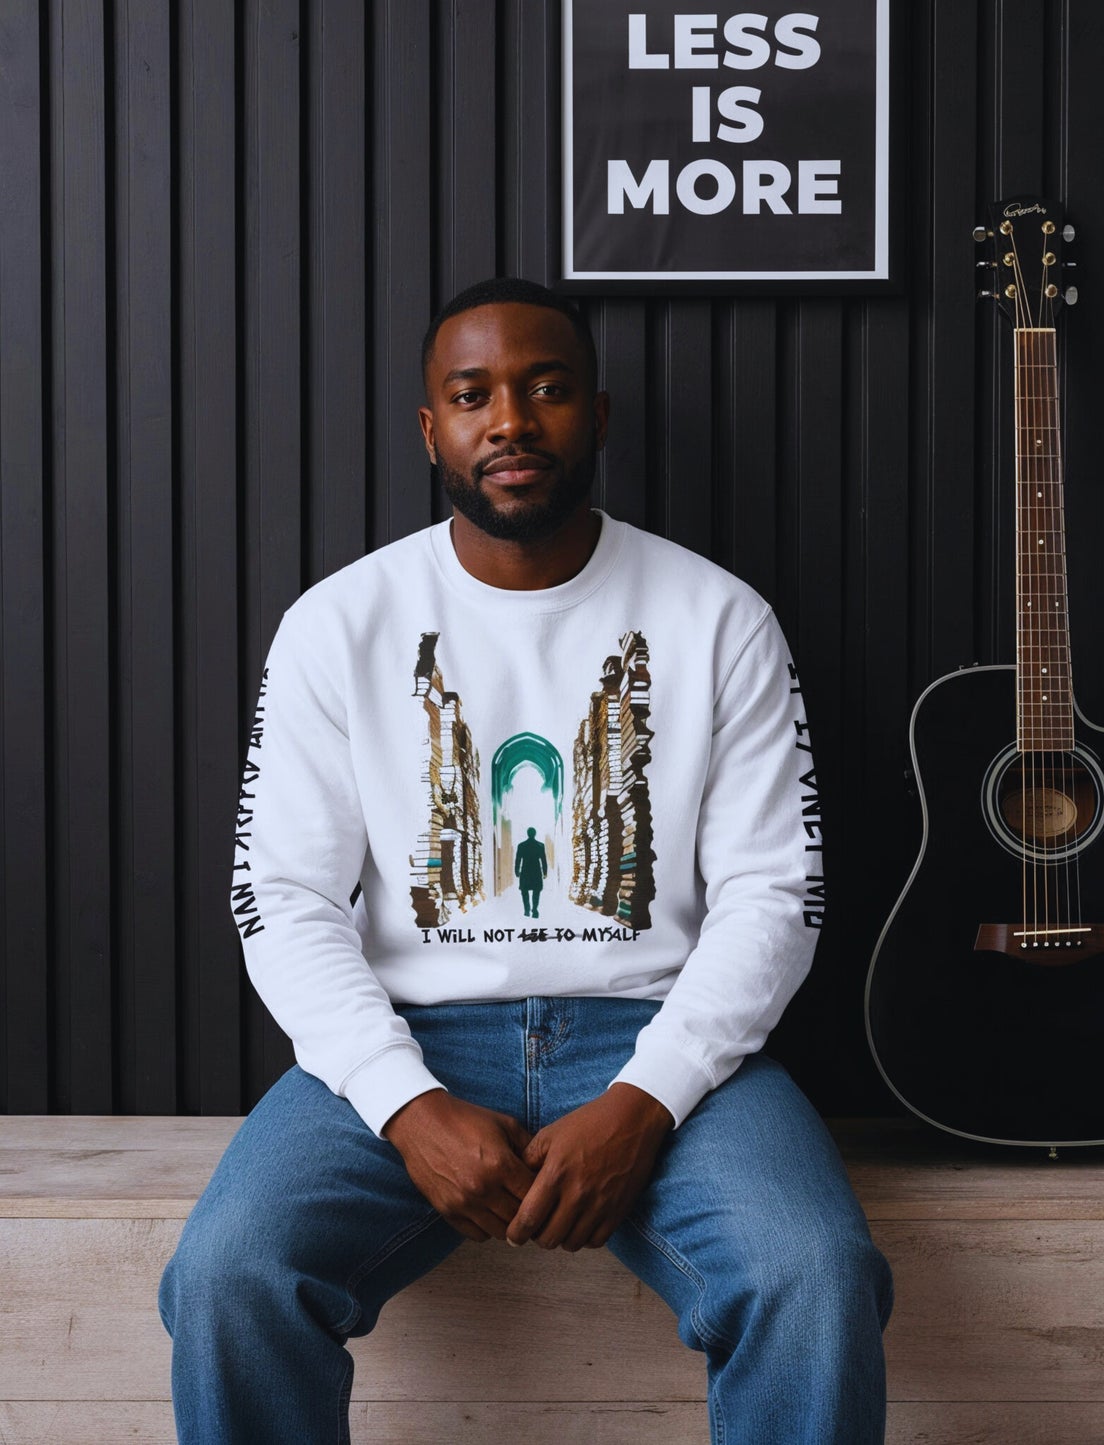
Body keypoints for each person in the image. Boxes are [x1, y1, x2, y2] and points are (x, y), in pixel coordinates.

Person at [158, 277, 893, 1444]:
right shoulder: (338, 622)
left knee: (813, 1272)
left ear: (596, 416)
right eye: (473, 395)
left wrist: (646, 1099)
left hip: (656, 1029)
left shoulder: (715, 617)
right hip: (414, 1031)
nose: (510, 420)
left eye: (546, 388)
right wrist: (405, 1105)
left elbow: (773, 891)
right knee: (228, 1275)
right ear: (431, 429)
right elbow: (285, 896)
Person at [514, 826, 547, 917]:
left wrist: (517, 870)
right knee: (536, 892)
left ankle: (527, 909)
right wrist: (545, 872)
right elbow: (543, 860)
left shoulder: (521, 845)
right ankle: (535, 910)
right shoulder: (540, 845)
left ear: (528, 834)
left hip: (525, 871)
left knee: (524, 891)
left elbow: (518, 860)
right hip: (536, 871)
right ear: (534, 834)